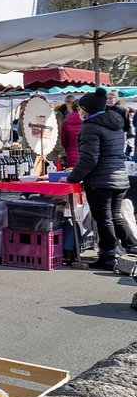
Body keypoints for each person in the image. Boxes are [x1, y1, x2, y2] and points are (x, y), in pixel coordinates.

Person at [67, 88, 137, 271]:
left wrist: (72, 178)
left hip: (101, 181)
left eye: (80, 108)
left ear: (87, 109)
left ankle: (108, 256)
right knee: (114, 216)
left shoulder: (91, 127)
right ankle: (133, 247)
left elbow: (89, 159)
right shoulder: (115, 123)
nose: (79, 111)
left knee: (104, 218)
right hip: (119, 178)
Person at [60, 97, 83, 169]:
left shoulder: (66, 121)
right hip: (84, 152)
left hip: (70, 153)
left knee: (73, 175)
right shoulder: (86, 121)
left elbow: (63, 140)